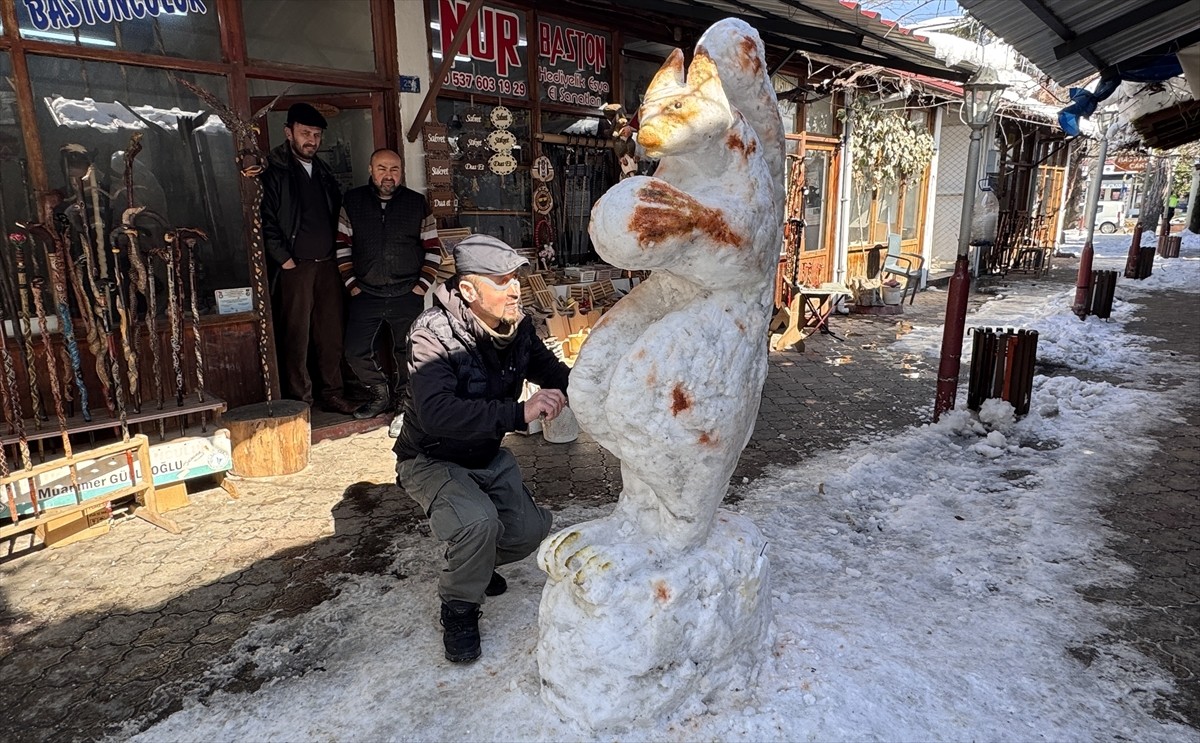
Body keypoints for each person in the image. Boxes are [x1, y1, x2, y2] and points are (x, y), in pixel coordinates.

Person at [393, 235, 570, 663]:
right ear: (469, 290)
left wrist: (595, 386)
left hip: (484, 455)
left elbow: (552, 371)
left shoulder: (517, 326)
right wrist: (518, 413)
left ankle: (477, 564)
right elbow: (437, 414)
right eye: (502, 280)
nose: (515, 290)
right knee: (478, 523)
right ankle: (458, 607)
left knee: (530, 530)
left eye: (516, 280)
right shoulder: (430, 336)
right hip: (431, 456)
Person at [260, 102, 355, 414]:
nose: (311, 140)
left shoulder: (325, 172)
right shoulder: (274, 172)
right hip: (295, 268)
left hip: (328, 265)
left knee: (331, 335)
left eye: (316, 134)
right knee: (296, 337)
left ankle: (333, 393)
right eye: (305, 133)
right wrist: (284, 259)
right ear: (289, 133)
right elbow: (264, 220)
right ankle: (301, 402)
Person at [336, 148, 442, 425]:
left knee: (409, 352)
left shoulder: (416, 203)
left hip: (407, 292)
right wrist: (351, 284)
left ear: (402, 172)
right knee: (354, 351)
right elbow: (342, 246)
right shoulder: (353, 201)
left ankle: (404, 406)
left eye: (394, 169)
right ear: (371, 169)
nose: (388, 175)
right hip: (365, 292)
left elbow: (433, 248)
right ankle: (380, 394)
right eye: (382, 168)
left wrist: (421, 286)